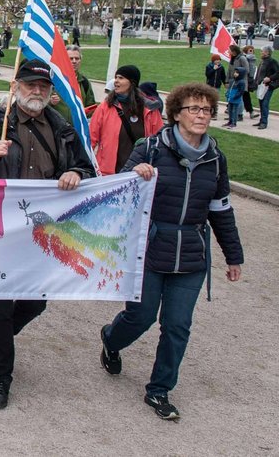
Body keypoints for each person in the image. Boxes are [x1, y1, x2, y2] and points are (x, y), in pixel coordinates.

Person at [0, 59, 96, 410]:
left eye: (43, 87)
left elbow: (87, 169)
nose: (36, 91)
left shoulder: (62, 128)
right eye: (30, 85)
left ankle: (1, 340)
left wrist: (76, 172)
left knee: (36, 301)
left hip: (43, 232)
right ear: (16, 88)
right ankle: (1, 378)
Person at [99, 83, 244, 421]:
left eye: (206, 109)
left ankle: (160, 389)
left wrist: (234, 255)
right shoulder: (150, 149)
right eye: (193, 108)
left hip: (192, 255)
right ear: (176, 113)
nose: (201, 115)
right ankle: (111, 338)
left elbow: (221, 211)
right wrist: (134, 174)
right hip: (149, 249)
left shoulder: (215, 160)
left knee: (177, 326)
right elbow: (118, 189)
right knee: (141, 316)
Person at [88, 65, 163, 175]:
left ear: (132, 82)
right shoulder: (106, 106)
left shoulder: (149, 109)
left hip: (140, 173)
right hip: (108, 173)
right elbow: (91, 137)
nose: (116, 81)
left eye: (121, 78)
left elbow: (159, 140)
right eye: (116, 77)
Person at [254, 45, 278, 129]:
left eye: (262, 51)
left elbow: (277, 73)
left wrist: (270, 78)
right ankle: (261, 120)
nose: (261, 52)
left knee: (265, 103)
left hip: (268, 86)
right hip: (261, 86)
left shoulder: (272, 62)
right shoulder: (262, 61)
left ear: (267, 53)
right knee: (261, 103)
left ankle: (264, 122)